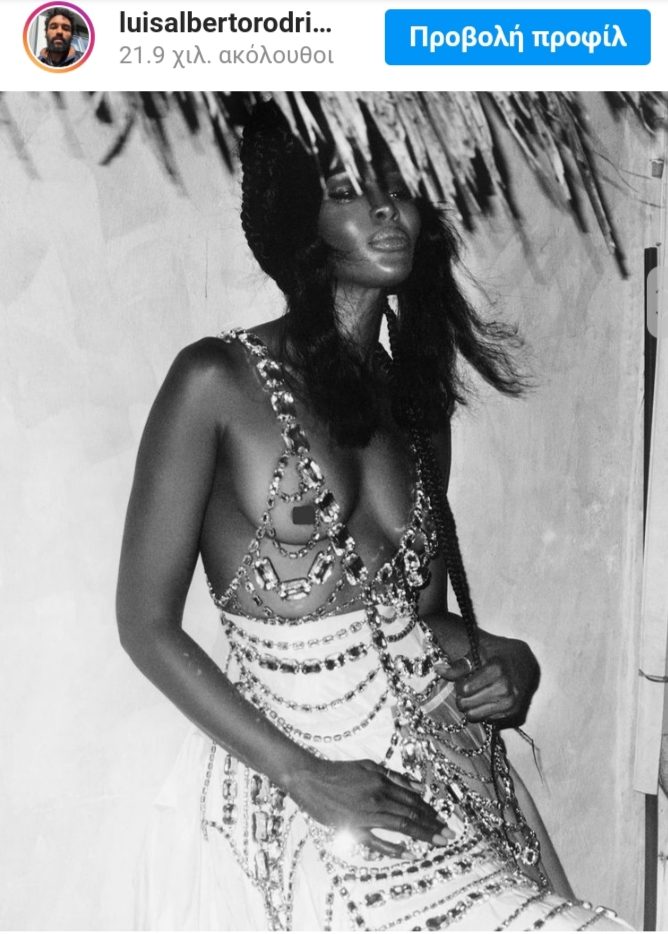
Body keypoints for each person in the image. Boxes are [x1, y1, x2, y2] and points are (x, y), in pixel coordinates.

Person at [117, 102, 632, 930]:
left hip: (432, 766)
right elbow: (145, 626)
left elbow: (412, 620)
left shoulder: (417, 408)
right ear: (301, 216)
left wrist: (508, 658)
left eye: (400, 189)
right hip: (289, 772)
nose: (389, 211)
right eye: (352, 191)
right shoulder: (215, 380)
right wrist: (305, 777)